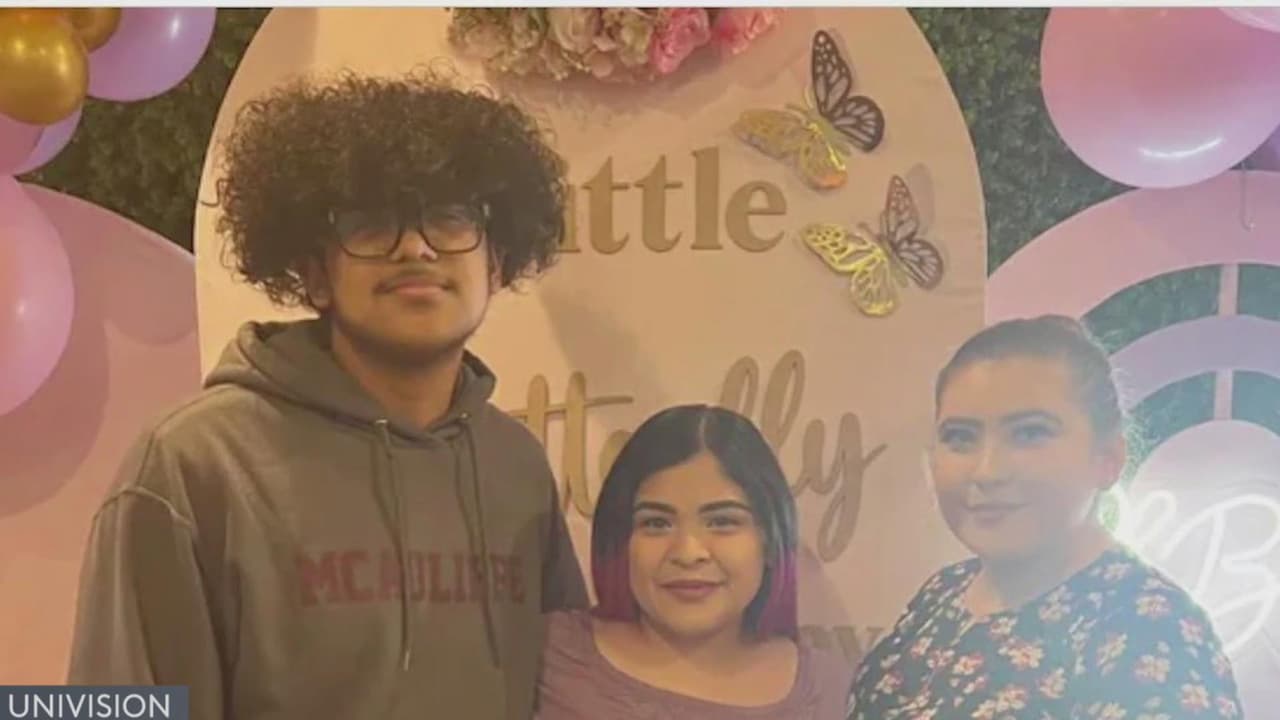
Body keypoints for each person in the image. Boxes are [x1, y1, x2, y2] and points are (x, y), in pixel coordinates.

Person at [67, 70, 588, 720]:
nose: (415, 247)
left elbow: (574, 692)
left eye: (451, 218)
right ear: (314, 275)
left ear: (497, 264)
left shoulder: (516, 467)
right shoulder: (194, 463)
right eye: (372, 223)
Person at [846, 316, 1244, 719]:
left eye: (1029, 433)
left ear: (1107, 459)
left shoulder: (1153, 632)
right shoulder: (945, 591)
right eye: (960, 437)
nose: (987, 471)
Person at [535, 404, 851, 719]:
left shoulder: (833, 689)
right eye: (656, 523)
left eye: (722, 522)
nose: (688, 553)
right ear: (622, 539)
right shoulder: (545, 654)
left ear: (769, 540)